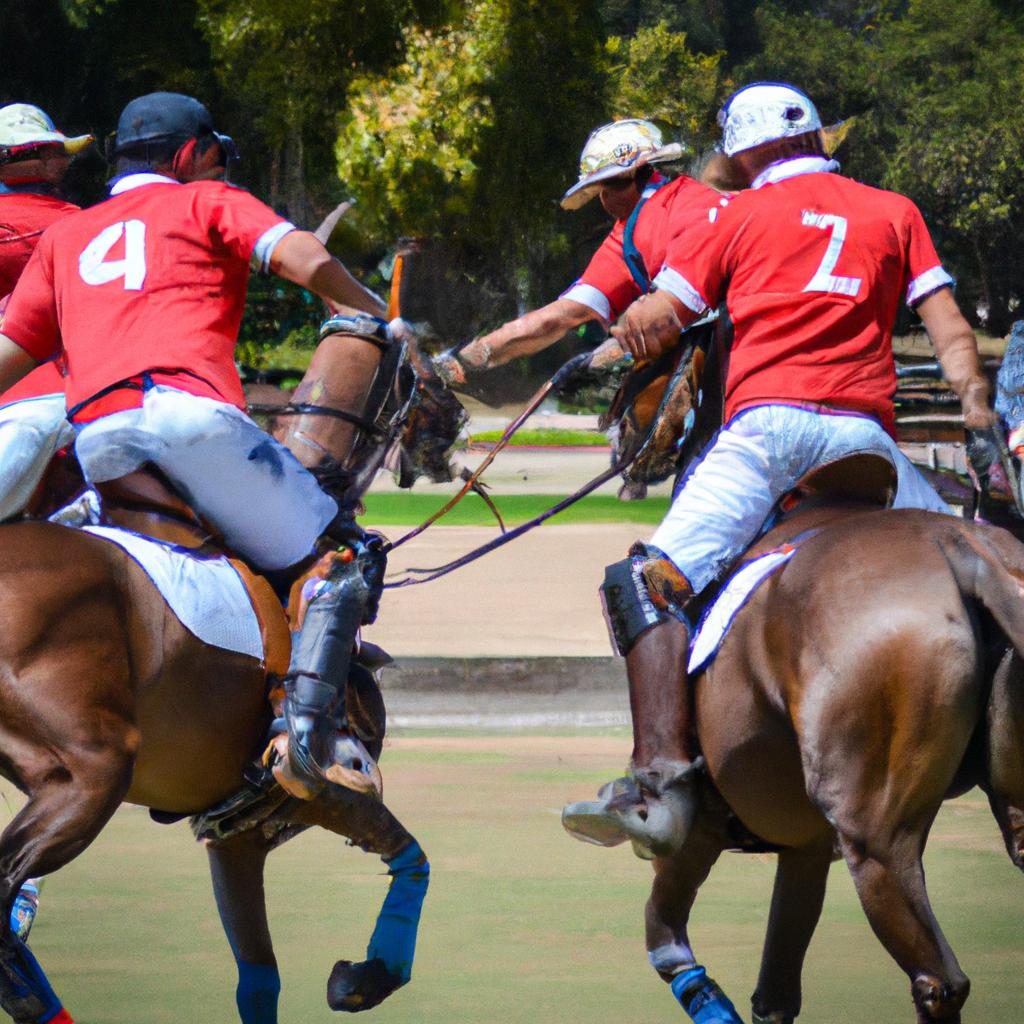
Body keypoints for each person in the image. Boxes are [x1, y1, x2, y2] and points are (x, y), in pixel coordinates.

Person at [568, 82, 991, 857]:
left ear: (743, 152)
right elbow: (951, 331)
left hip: (769, 434)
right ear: (812, 141)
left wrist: (611, 341)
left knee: (644, 581)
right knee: (983, 562)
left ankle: (658, 781)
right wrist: (975, 409)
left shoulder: (733, 214)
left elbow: (661, 316)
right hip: (869, 444)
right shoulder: (894, 210)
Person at [0, 91, 390, 796]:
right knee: (345, 555)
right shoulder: (207, 200)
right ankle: (305, 741)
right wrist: (372, 307)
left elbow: (12, 351)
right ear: (188, 155)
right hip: (191, 420)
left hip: (99, 440)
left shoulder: (68, 235)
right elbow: (300, 257)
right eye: (211, 154)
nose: (216, 166)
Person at [434, 118, 718, 382]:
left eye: (601, 189)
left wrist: (477, 353)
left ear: (614, 186)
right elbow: (564, 314)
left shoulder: (651, 224)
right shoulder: (675, 208)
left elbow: (561, 317)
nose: (601, 201)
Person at [0, 103, 93, 521]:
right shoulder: (86, 226)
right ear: (39, 161)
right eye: (57, 152)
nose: (64, 161)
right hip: (78, 394)